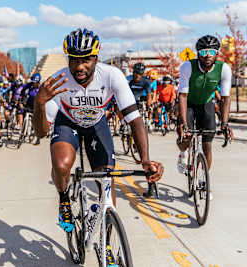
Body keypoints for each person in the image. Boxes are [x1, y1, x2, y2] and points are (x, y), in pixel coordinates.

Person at [32, 28, 163, 265]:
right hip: (67, 123)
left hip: (96, 125)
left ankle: (106, 239)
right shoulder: (59, 81)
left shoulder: (111, 76)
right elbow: (40, 132)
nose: (80, 66)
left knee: (107, 177)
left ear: (97, 57)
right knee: (62, 165)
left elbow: (134, 119)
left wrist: (145, 160)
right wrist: (40, 103)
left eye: (86, 59)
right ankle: (64, 199)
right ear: (68, 59)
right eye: (74, 60)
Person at [177, 35, 233, 199]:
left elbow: (225, 98)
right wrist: (183, 122)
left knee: (207, 143)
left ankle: (204, 180)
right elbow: (182, 96)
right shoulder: (188, 67)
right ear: (198, 53)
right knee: (185, 136)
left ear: (217, 53)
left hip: (206, 104)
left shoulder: (224, 69)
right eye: (203, 51)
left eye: (211, 51)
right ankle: (183, 153)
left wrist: (224, 122)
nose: (207, 55)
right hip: (188, 103)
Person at [21, 73, 42, 145]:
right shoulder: (29, 85)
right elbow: (22, 91)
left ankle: (38, 139)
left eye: (35, 83)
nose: (33, 84)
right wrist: (21, 101)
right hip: (29, 104)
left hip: (37, 106)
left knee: (37, 123)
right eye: (32, 82)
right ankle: (22, 133)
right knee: (24, 117)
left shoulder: (41, 88)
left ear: (38, 82)